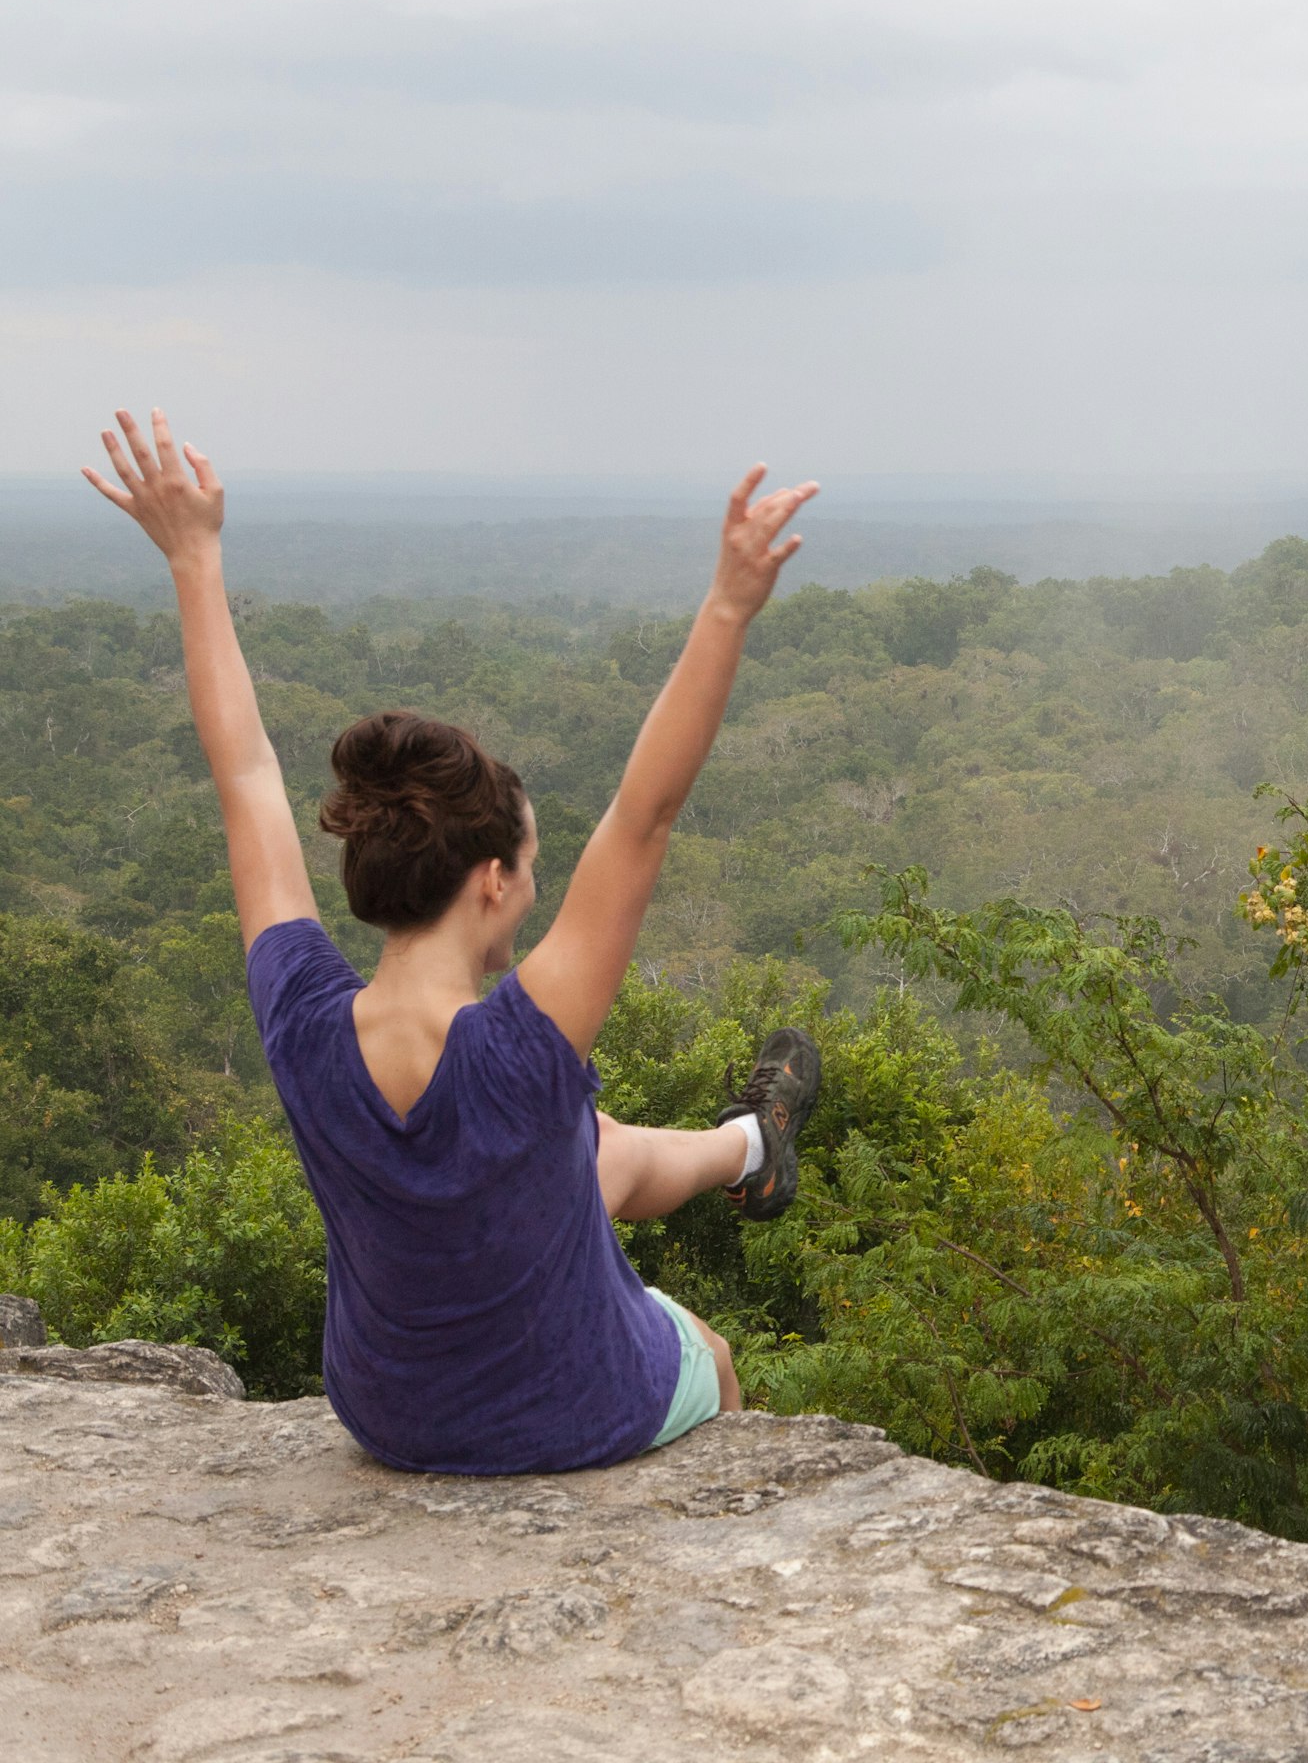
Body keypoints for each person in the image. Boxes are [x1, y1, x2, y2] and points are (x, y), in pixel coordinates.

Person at [83, 408, 826, 1474]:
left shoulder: (302, 1020)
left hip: (386, 1413)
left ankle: (753, 1145)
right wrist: (727, 605)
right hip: (565, 1411)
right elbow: (643, 817)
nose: (535, 882)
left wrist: (193, 558)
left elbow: (246, 778)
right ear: (492, 881)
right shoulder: (520, 1050)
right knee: (705, 1345)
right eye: (531, 863)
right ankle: (747, 1178)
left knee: (591, 1146)